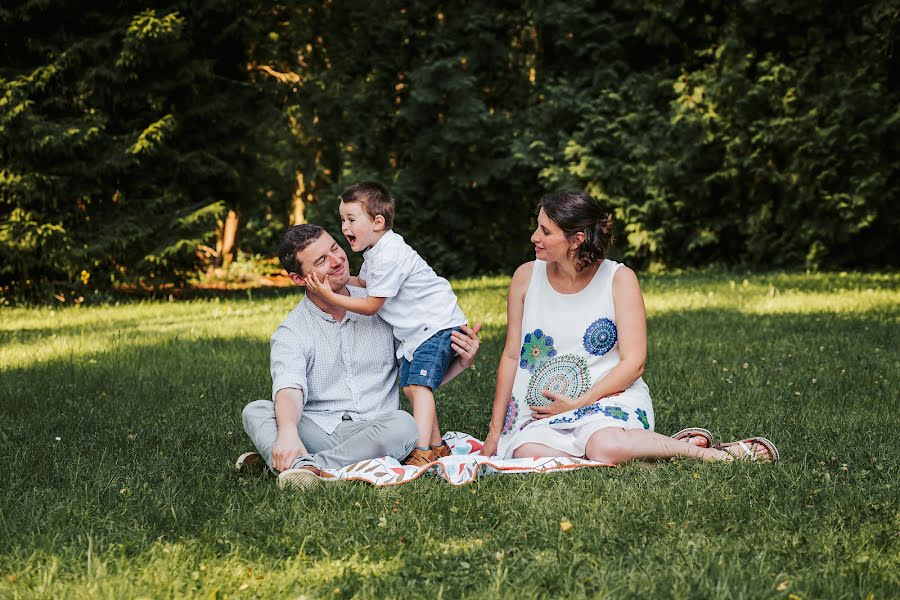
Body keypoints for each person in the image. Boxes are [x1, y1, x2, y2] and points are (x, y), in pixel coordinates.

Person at [479, 191, 779, 464]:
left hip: (607, 401)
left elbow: (634, 363)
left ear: (577, 239)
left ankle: (713, 455)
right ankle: (651, 450)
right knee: (525, 453)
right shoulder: (525, 277)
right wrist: (495, 434)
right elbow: (510, 357)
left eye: (545, 230)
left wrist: (578, 404)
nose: (534, 237)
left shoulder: (619, 279)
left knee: (605, 445)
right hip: (541, 413)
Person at [239, 224, 481, 489]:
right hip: (320, 428)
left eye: (334, 248)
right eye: (321, 260)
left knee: (405, 425)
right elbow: (289, 387)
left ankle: (304, 466)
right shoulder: (293, 330)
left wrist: (461, 363)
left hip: (378, 429)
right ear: (299, 279)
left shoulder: (379, 304)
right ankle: (306, 462)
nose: (337, 261)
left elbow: (416, 379)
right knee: (257, 410)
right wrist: (287, 431)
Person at [304, 182, 479, 466]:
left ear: (377, 222)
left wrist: (328, 296)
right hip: (417, 333)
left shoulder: (389, 255)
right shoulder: (376, 252)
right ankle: (436, 446)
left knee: (420, 388)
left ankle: (421, 449)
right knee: (412, 388)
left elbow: (372, 304)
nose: (344, 227)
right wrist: (336, 280)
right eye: (342, 220)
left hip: (436, 326)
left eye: (351, 219)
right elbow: (364, 283)